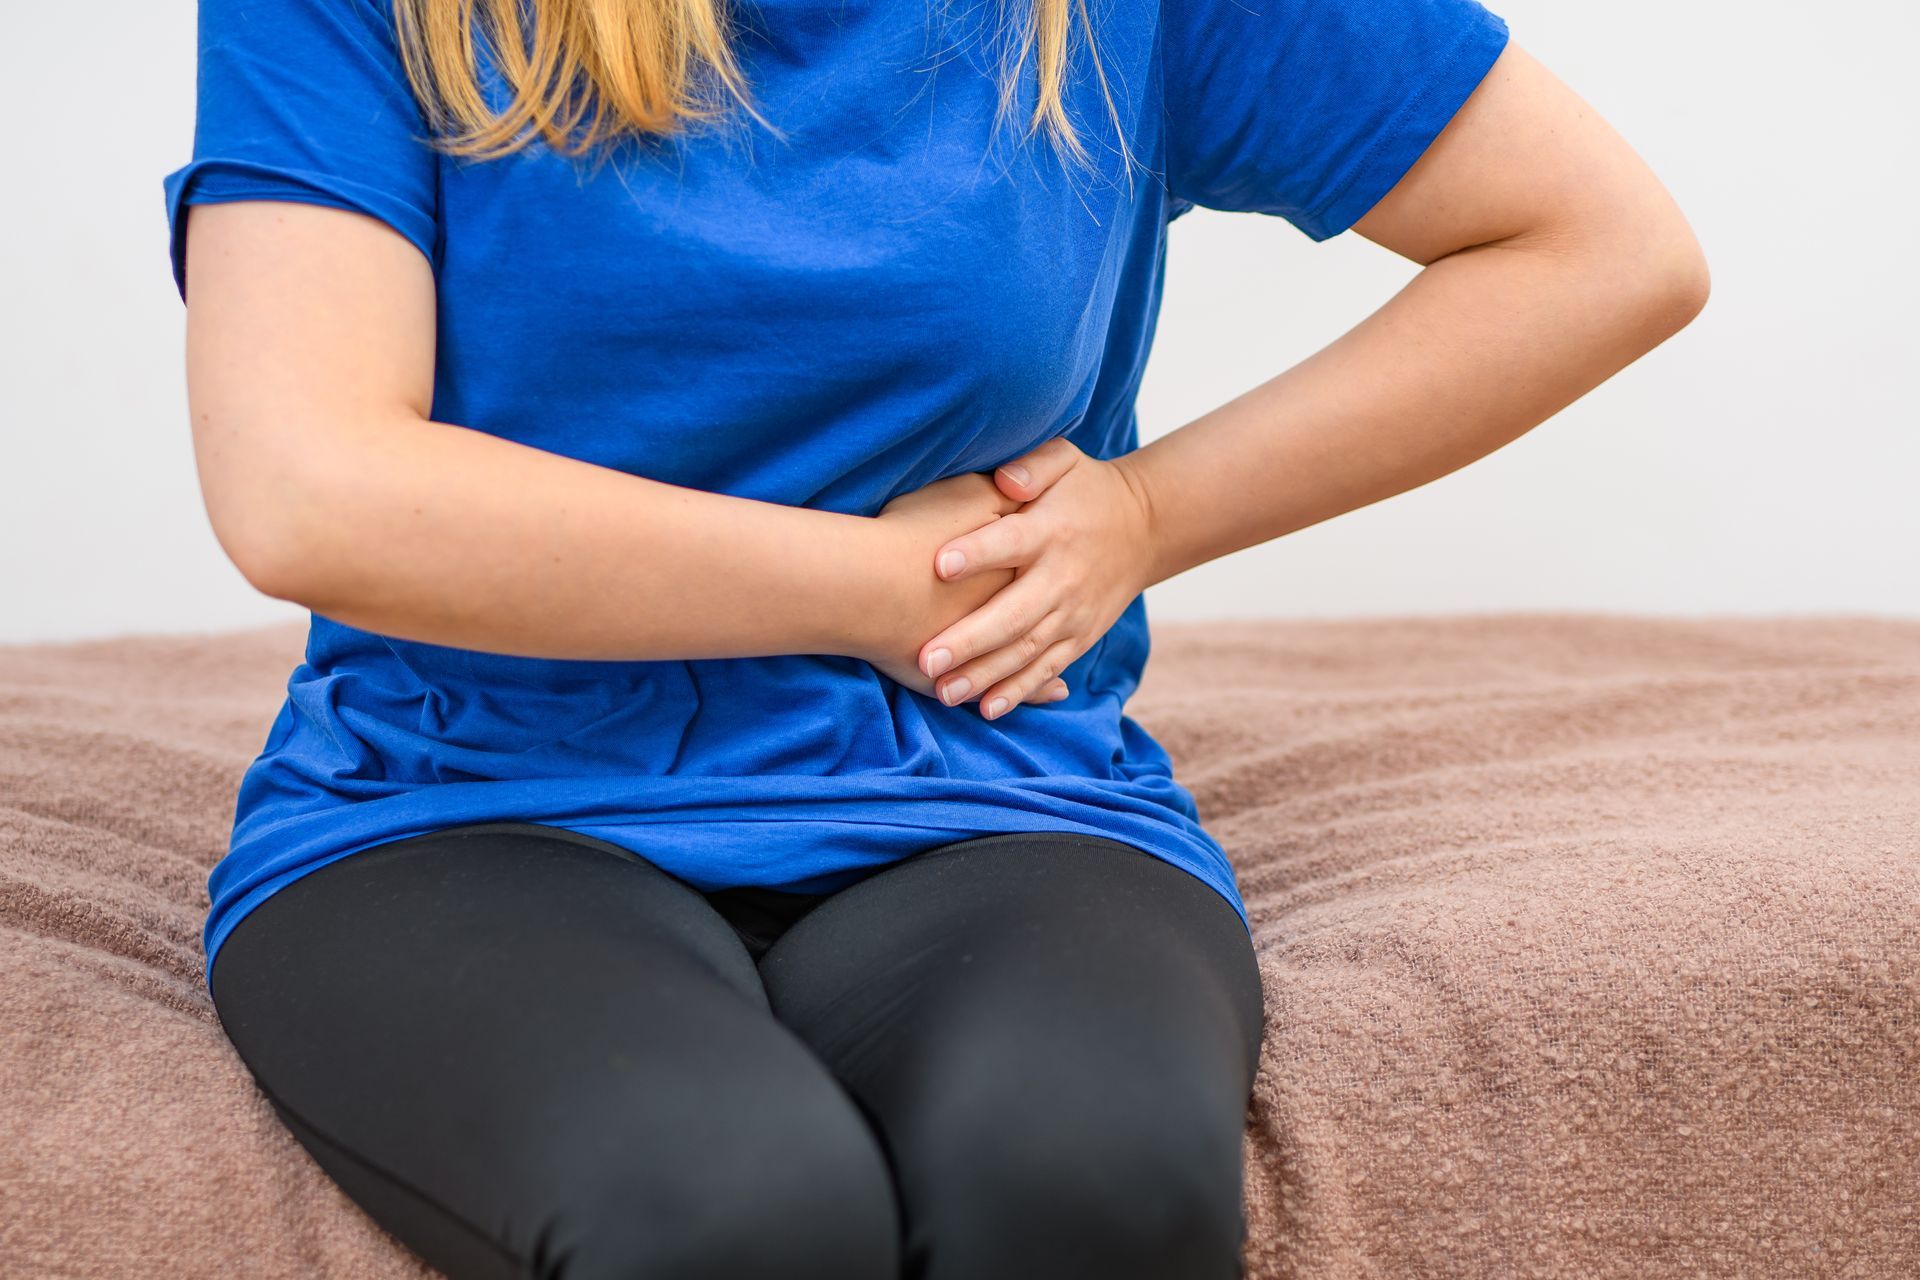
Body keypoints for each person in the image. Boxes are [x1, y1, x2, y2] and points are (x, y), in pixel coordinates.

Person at [161, 0, 1707, 1271]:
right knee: (732, 1218)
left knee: (1088, 1185)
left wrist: (1150, 515)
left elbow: (1599, 244)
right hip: (464, 808)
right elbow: (308, 493)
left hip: (994, 796)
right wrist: (873, 591)